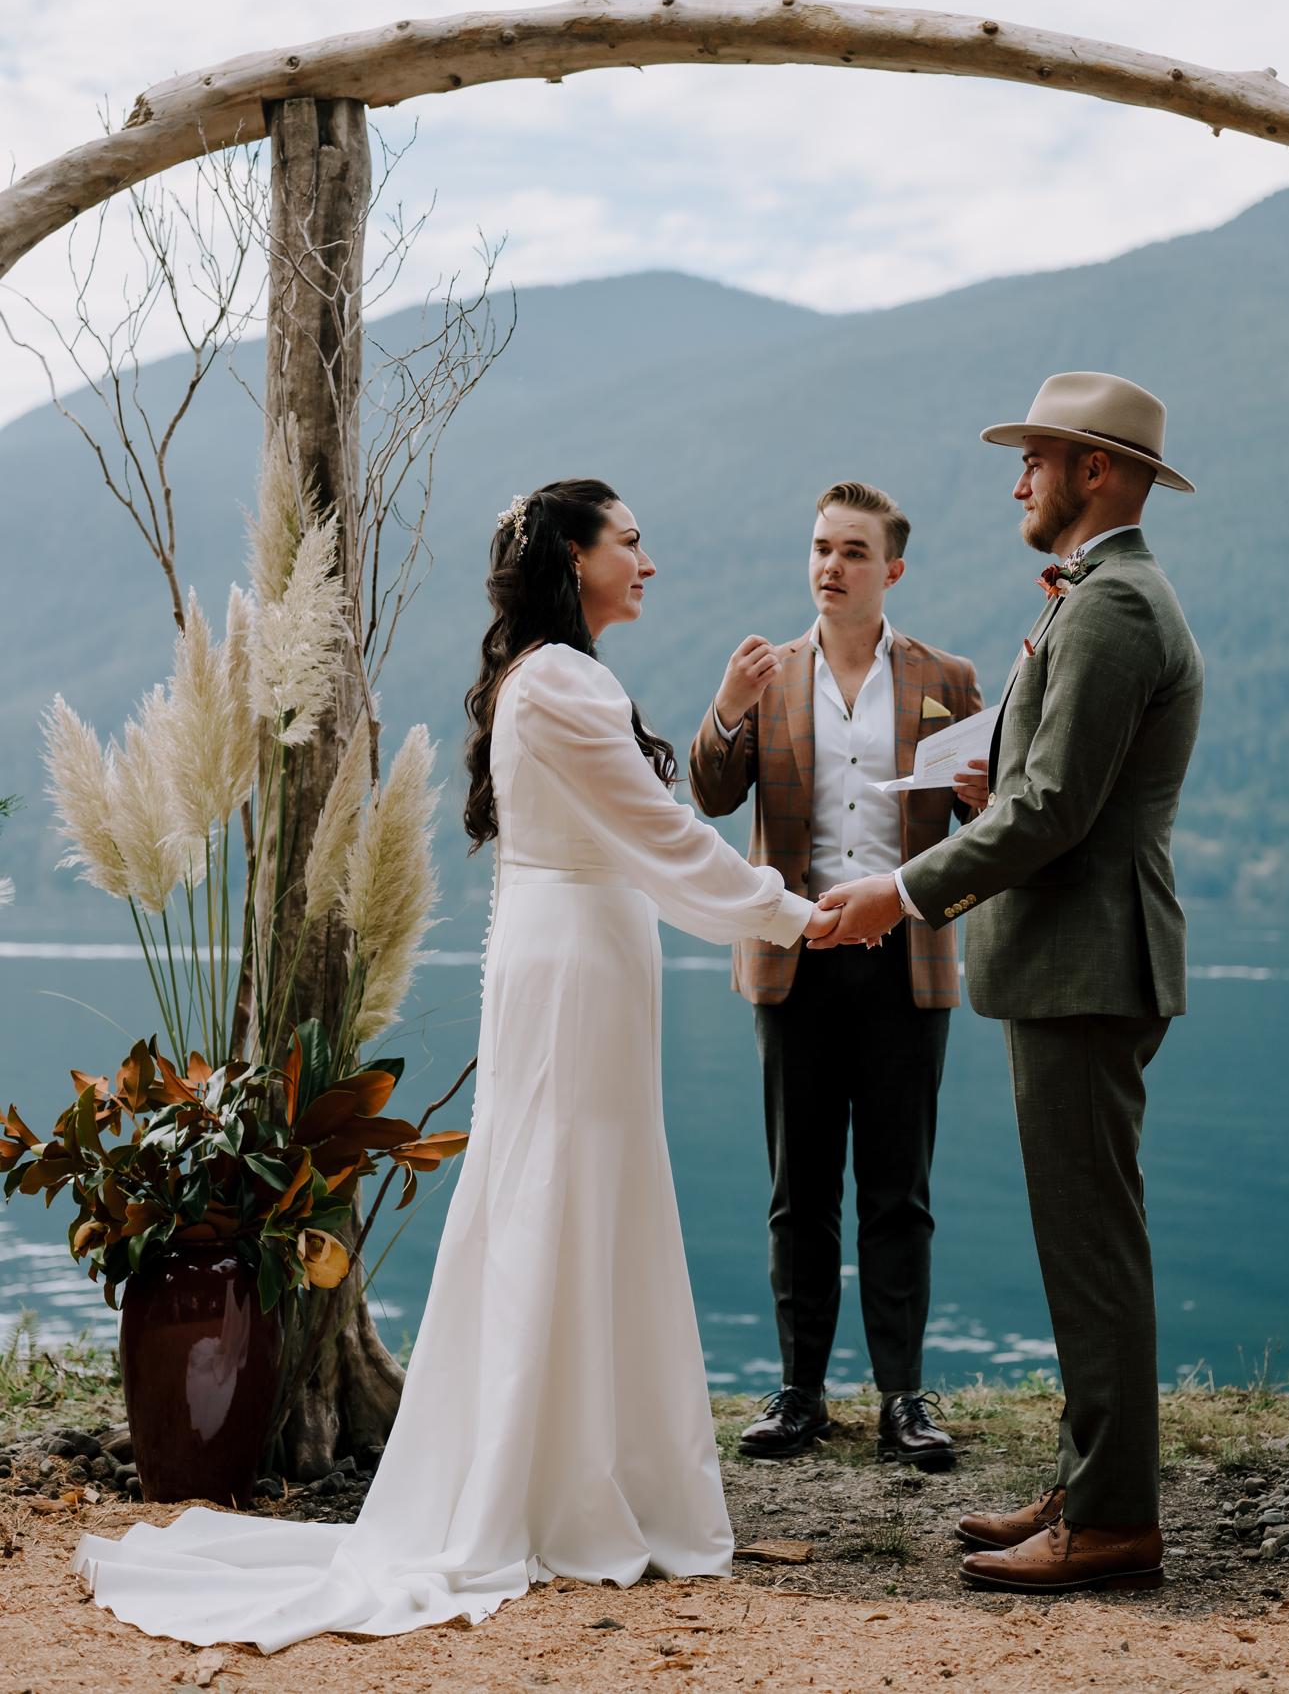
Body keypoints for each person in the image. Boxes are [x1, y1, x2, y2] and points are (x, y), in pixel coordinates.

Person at [72, 478, 840, 1651]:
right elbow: (666, 838)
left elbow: (631, 825)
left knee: (576, 1194)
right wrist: (798, 913)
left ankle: (566, 1462)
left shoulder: (551, 679)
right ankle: (562, 1481)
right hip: (575, 966)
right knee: (567, 1195)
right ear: (572, 560)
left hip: (570, 954)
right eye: (631, 541)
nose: (649, 560)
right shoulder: (564, 683)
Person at [815, 376, 1203, 1594]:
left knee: (1093, 1245)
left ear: (1095, 471)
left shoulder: (1113, 608)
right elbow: (1049, 790)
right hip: (1075, 958)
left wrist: (903, 891)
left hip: (1089, 964)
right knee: (1084, 1235)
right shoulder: (1102, 600)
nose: (1016, 481)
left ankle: (1115, 1522)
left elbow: (1053, 811)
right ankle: (1094, 1484)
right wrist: (998, 789)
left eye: (1034, 460)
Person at [689, 481, 982, 1470]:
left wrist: (983, 797)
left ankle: (904, 1398)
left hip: (907, 960)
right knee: (797, 1186)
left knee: (900, 1189)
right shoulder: (767, 675)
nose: (830, 566)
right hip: (793, 958)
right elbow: (713, 793)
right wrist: (726, 712)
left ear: (891, 569)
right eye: (820, 547)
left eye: (853, 551)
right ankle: (800, 1393)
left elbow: (990, 825)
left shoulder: (947, 677)